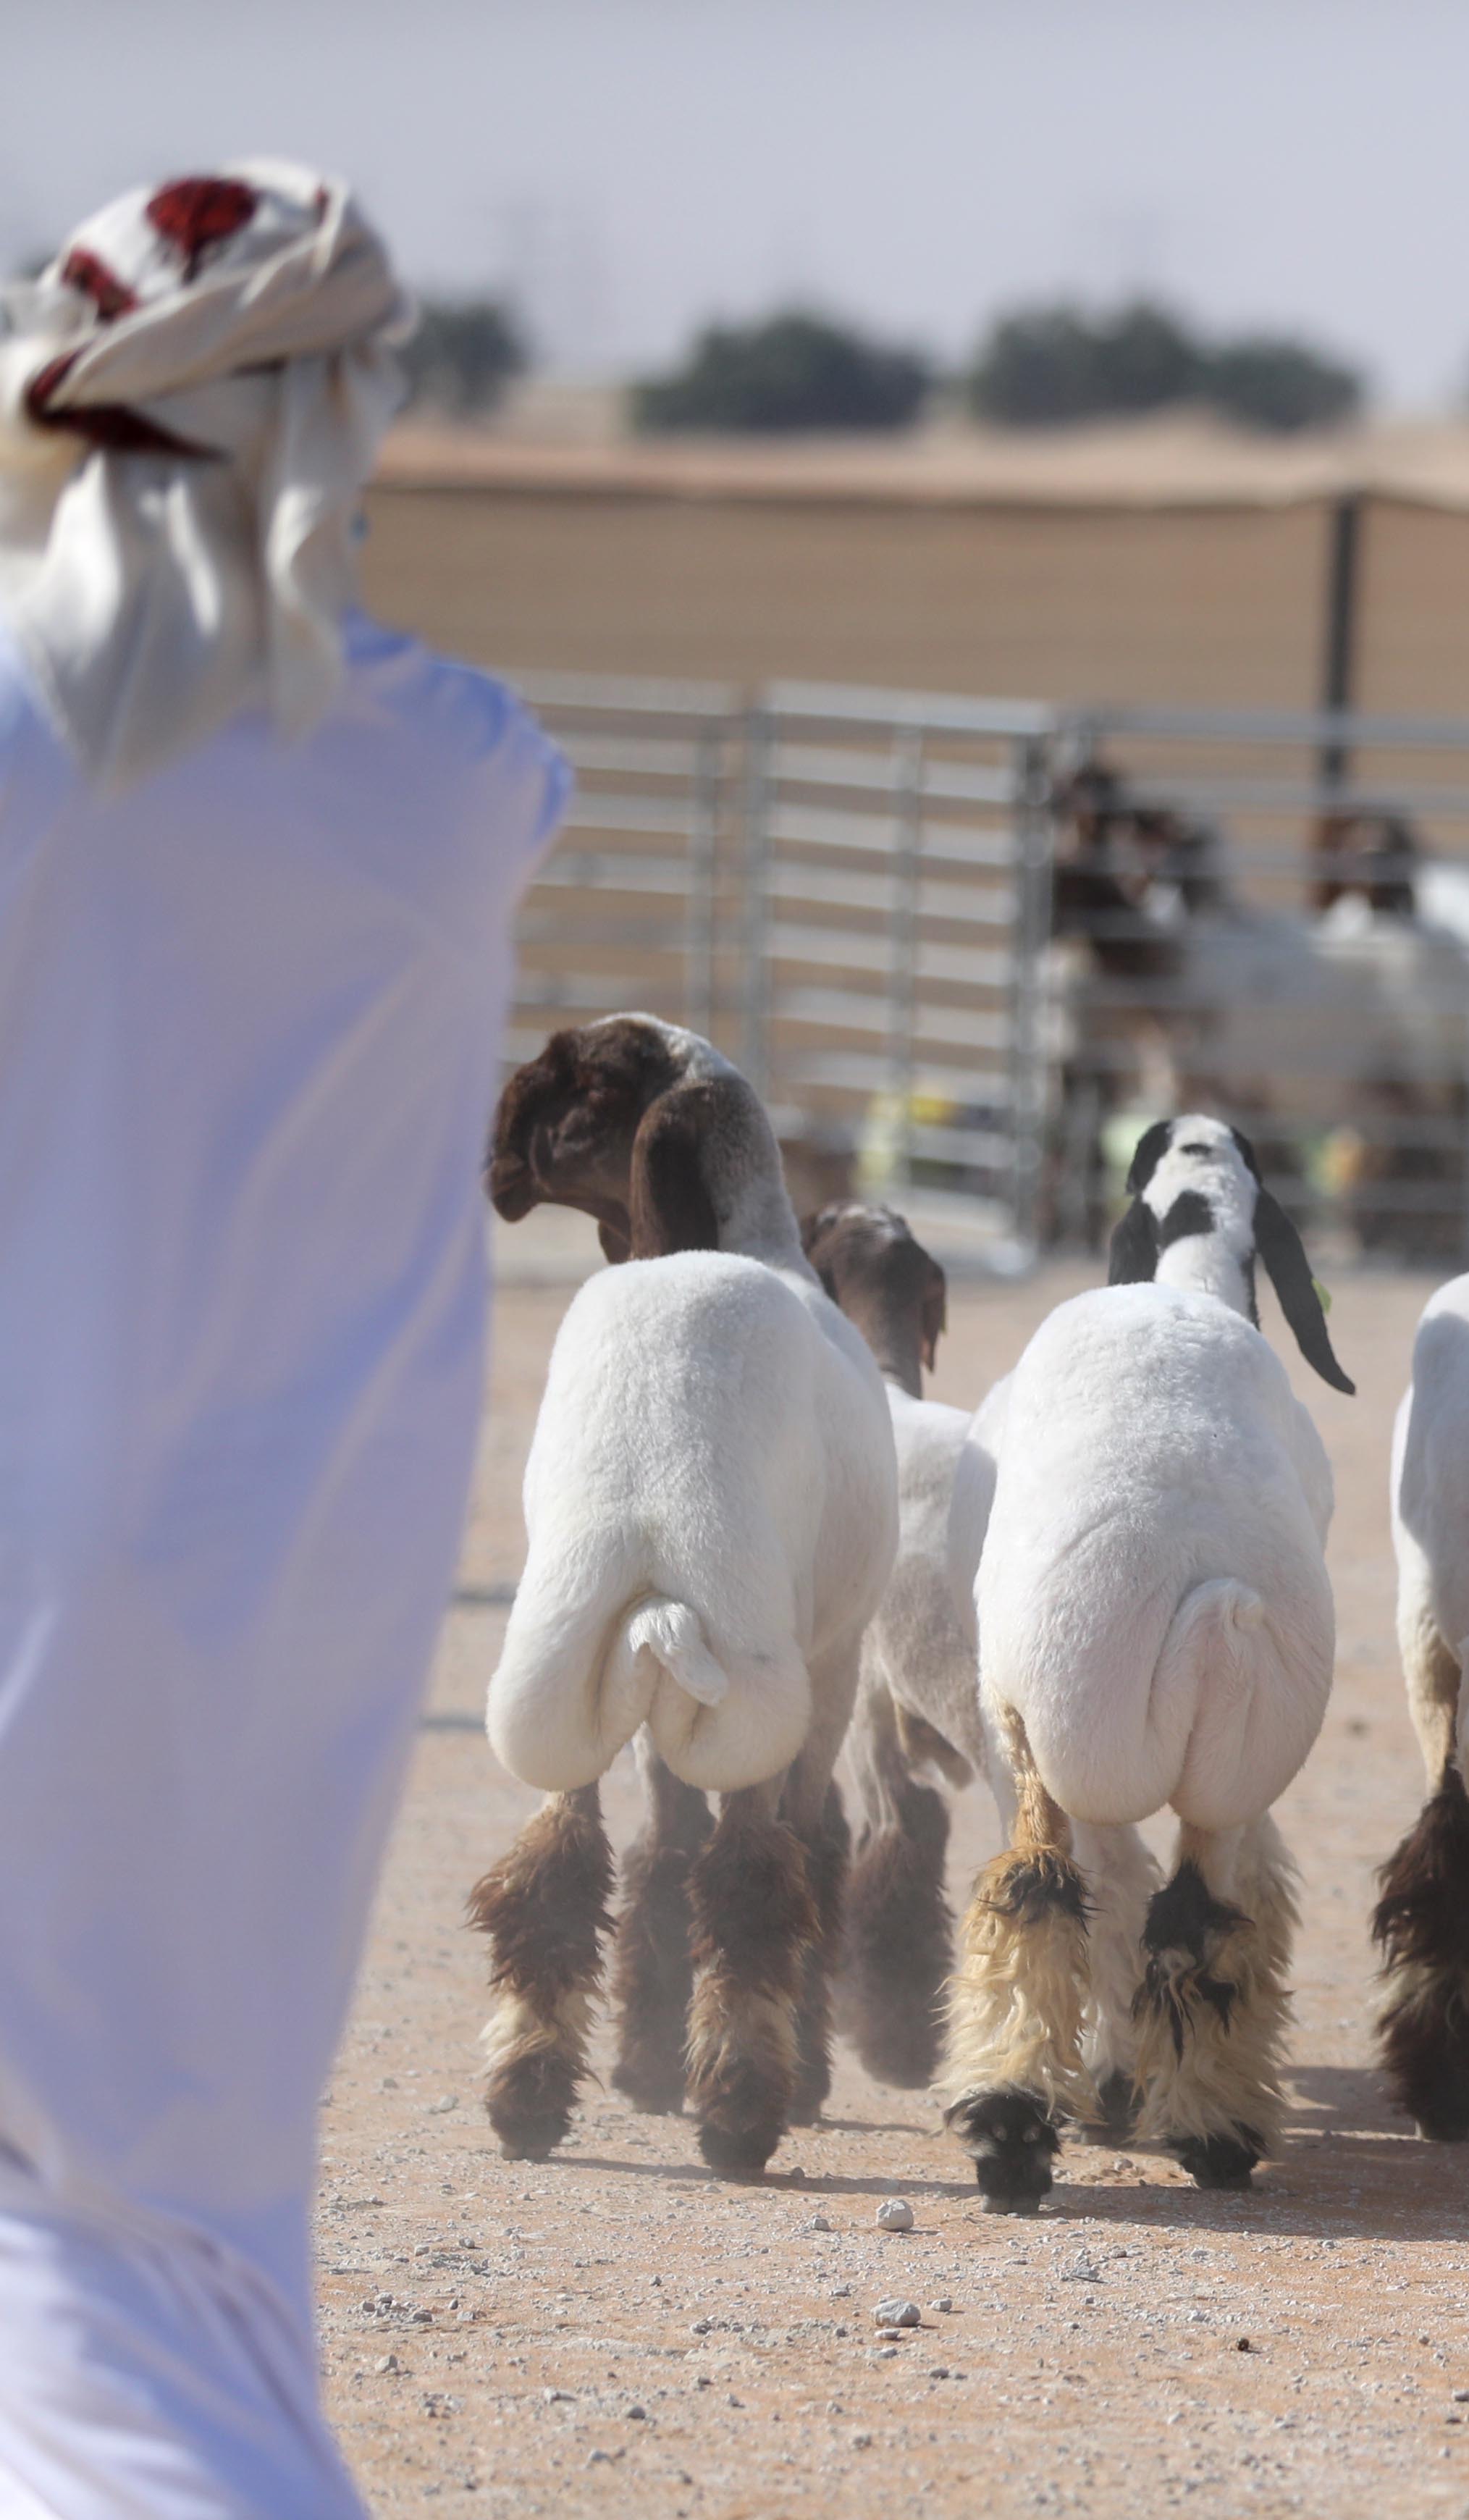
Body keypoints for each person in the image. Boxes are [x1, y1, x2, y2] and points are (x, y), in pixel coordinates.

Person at [0, 166, 569, 2516]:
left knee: (70, 2232)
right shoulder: (461, 771)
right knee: (168, 2215)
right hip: (281, 1595)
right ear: (328, 408)